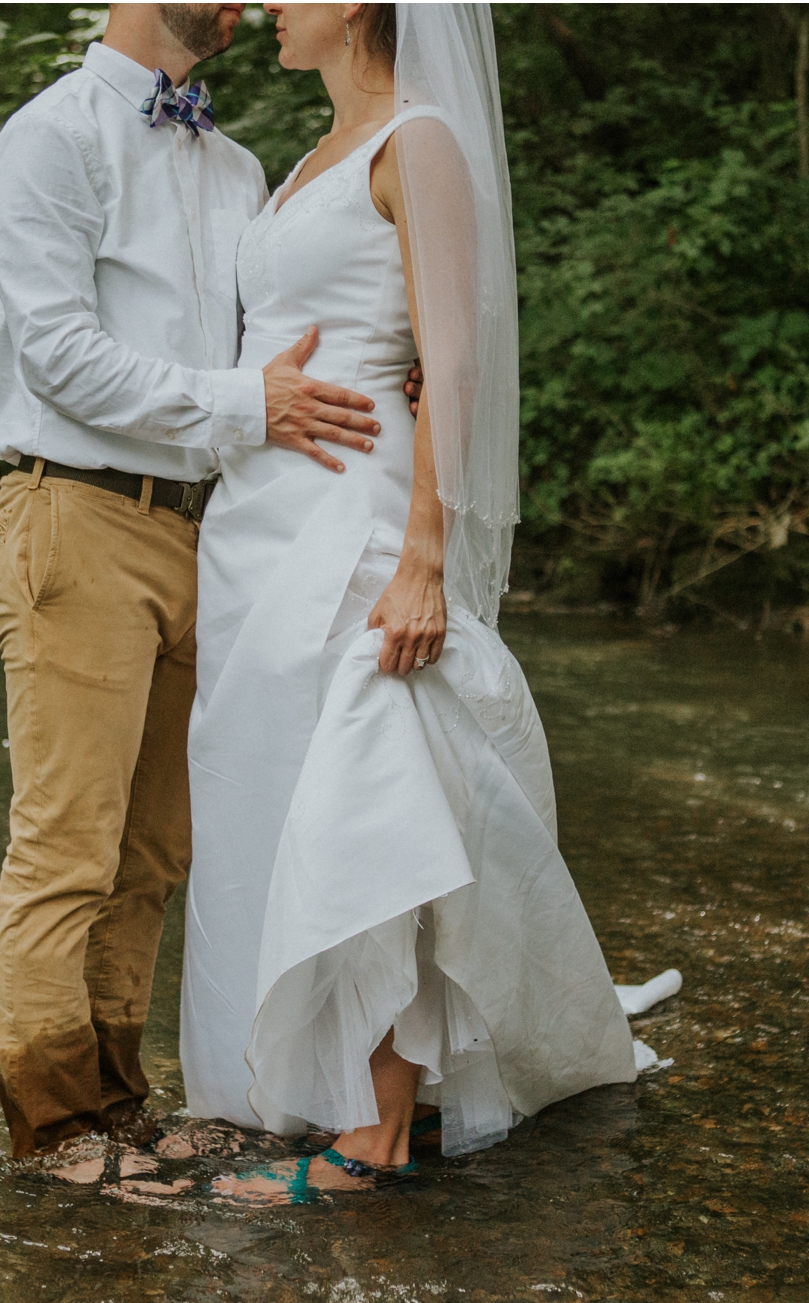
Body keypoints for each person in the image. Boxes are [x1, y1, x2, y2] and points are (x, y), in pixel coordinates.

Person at [181, 1, 646, 1203]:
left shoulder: (417, 140)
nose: (270, 5)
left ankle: (376, 1130)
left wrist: (424, 553)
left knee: (365, 795)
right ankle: (332, 1086)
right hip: (257, 535)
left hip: (362, 520)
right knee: (280, 801)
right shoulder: (310, 156)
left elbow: (451, 356)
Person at [0, 2, 392, 1169]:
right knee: (67, 841)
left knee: (155, 849)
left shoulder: (240, 162)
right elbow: (54, 351)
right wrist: (247, 406)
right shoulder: (49, 138)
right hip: (75, 512)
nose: (255, 3)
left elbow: (287, 337)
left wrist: (385, 350)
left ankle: (118, 1100)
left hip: (209, 533)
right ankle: (52, 1125)